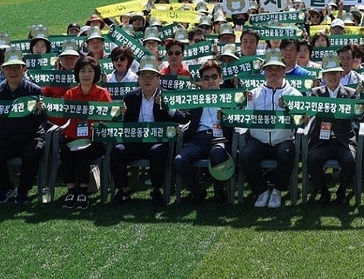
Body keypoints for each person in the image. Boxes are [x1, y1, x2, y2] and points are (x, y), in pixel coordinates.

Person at [111, 58, 186, 206]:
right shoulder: (130, 97)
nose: (147, 80)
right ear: (138, 79)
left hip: (158, 142)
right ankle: (123, 190)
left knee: (157, 151)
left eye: (151, 76)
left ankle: (156, 190)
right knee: (117, 151)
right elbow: (124, 126)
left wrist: (168, 107)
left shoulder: (167, 96)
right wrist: (121, 114)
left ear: (158, 79)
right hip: (136, 141)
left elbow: (183, 118)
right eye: (143, 76)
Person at [0, 49, 48, 206]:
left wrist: (40, 111)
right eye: (9, 68)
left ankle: (23, 191)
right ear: (2, 69)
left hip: (31, 136)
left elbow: (42, 120)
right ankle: (6, 189)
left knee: (32, 154)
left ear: (24, 69)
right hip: (8, 138)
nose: (13, 71)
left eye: (17, 67)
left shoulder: (34, 90)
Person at [241, 51, 301, 208]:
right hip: (259, 140)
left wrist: (288, 108)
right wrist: (245, 103)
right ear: (264, 72)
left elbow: (300, 120)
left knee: (287, 153)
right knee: (246, 154)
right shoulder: (253, 94)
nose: (274, 72)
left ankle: (277, 191)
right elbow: (246, 119)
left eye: (278, 69)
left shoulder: (294, 93)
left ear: (283, 71)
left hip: (283, 140)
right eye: (270, 69)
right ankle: (262, 190)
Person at [173, 59, 234, 205]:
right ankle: (198, 190)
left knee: (217, 154)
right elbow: (183, 117)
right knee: (179, 161)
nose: (210, 81)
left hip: (220, 139)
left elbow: (237, 122)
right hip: (198, 139)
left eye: (214, 77)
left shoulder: (231, 97)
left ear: (221, 78)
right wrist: (168, 106)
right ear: (201, 80)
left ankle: (219, 190)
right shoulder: (195, 99)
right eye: (206, 78)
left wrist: (226, 118)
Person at [56, 55, 112, 210]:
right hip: (73, 138)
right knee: (66, 152)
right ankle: (71, 191)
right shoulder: (70, 94)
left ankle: (83, 192)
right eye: (82, 71)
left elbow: (108, 121)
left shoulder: (103, 94)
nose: (86, 75)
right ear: (77, 74)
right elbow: (62, 119)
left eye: (90, 71)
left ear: (96, 74)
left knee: (83, 152)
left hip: (94, 140)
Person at [306, 54, 360, 205]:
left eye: (335, 73)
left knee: (349, 160)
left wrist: (363, 109)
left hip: (343, 141)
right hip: (322, 141)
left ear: (341, 74)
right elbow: (306, 111)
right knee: (312, 160)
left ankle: (341, 191)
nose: (332, 77)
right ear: (323, 76)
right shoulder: (315, 93)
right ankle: (323, 191)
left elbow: (358, 114)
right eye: (329, 73)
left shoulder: (350, 94)